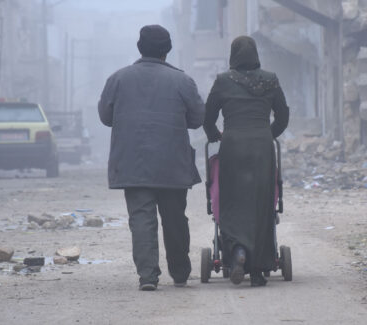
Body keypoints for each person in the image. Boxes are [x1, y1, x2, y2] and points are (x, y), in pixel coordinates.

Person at [98, 25, 205, 291]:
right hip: (172, 164)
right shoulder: (183, 81)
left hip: (133, 164)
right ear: (167, 50)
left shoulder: (117, 79)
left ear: (139, 47)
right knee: (175, 219)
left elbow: (105, 117)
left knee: (141, 220)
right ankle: (180, 271)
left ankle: (148, 276)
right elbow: (197, 119)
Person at [203, 36, 289, 287]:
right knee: (262, 206)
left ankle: (238, 252)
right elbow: (283, 116)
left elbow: (208, 118)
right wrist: (265, 135)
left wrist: (215, 136)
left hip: (233, 148)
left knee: (232, 204)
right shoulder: (271, 79)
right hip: (262, 149)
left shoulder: (222, 81)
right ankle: (259, 270)